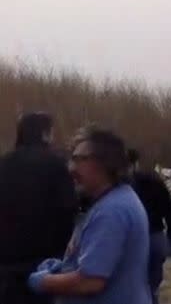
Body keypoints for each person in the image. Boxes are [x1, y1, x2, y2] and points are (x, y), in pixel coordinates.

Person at [27, 127, 150, 304]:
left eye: (80, 160)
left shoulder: (112, 210)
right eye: (72, 159)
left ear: (108, 163)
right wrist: (64, 267)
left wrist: (43, 281)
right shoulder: (113, 200)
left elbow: (90, 281)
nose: (71, 168)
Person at [0, 113, 78, 304]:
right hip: (45, 263)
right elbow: (68, 210)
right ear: (45, 134)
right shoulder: (57, 165)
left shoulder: (4, 164)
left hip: (5, 261)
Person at [129, 149, 171, 304]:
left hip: (132, 240)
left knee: (133, 282)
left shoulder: (117, 186)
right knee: (153, 281)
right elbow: (169, 209)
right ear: (136, 163)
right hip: (155, 235)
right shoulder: (153, 181)